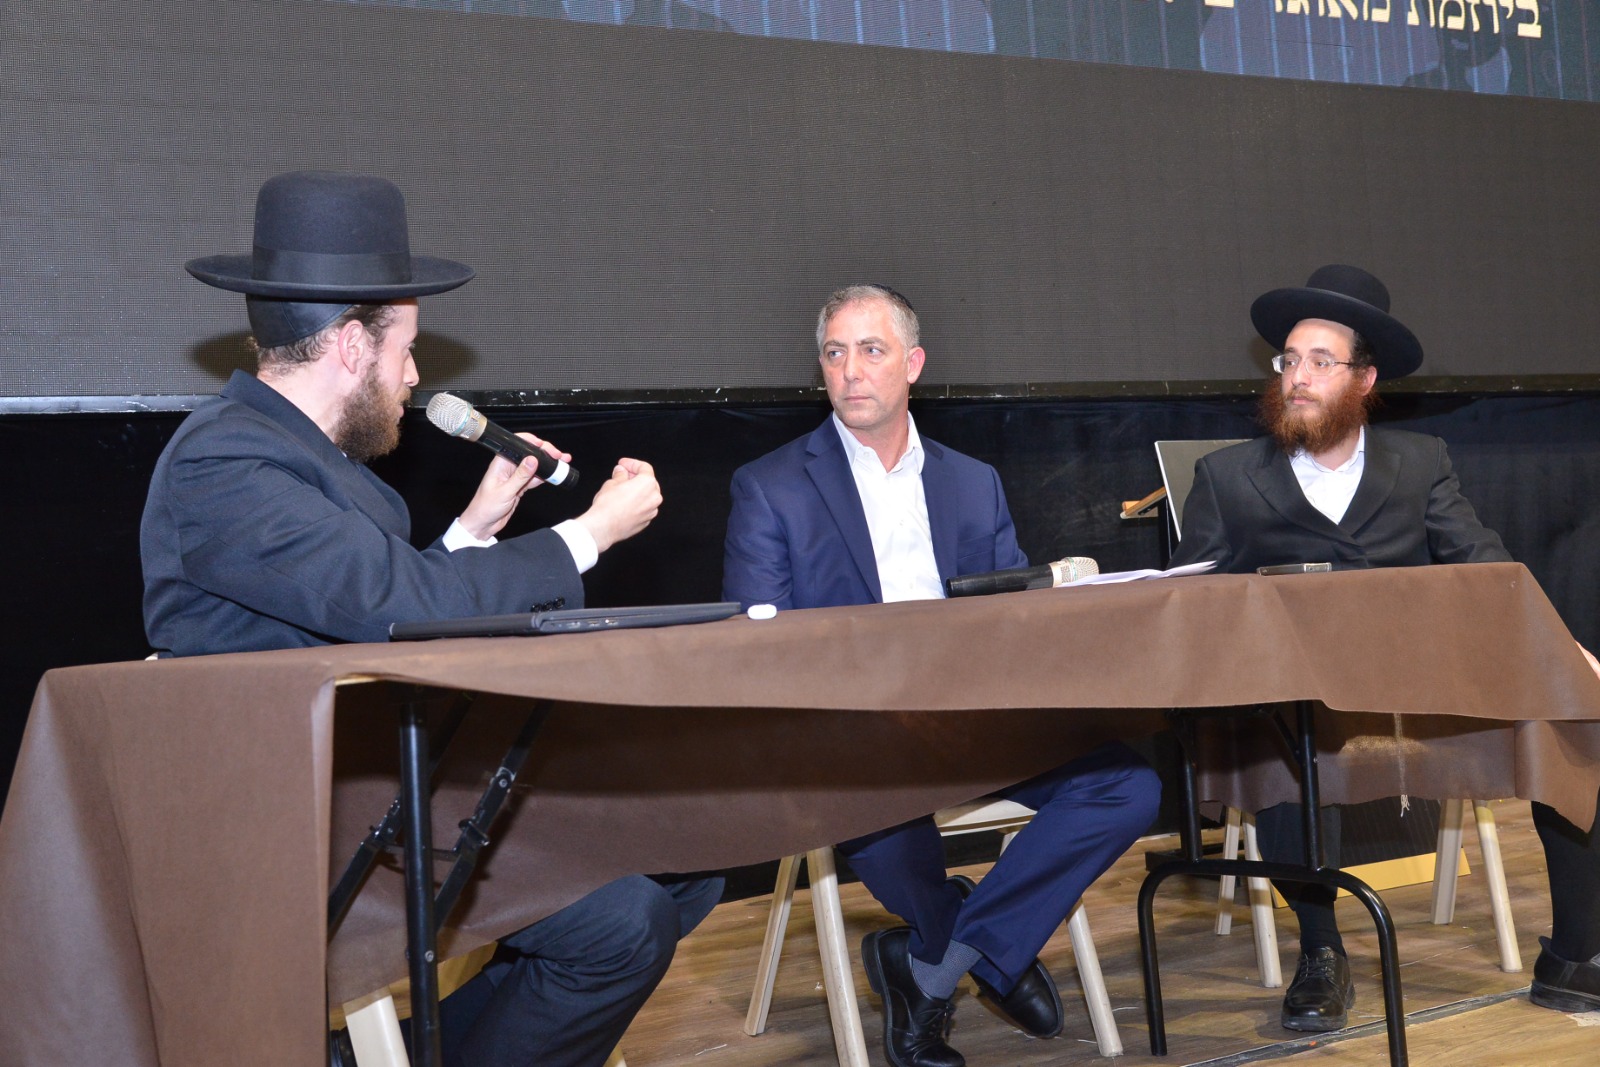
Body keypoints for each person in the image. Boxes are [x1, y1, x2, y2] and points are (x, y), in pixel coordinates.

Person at [140, 170, 721, 1067]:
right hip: (298, 825)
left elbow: (377, 602)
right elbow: (397, 609)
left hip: (387, 787)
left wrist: (473, 531)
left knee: (693, 859)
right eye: (407, 350)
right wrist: (588, 535)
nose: (414, 377)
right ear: (349, 345)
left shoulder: (306, 463)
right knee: (625, 923)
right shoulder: (226, 463)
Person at [723, 284, 1160, 1067]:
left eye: (872, 349)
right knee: (878, 809)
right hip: (854, 729)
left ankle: (934, 963)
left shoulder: (972, 480)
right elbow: (760, 655)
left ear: (914, 363)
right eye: (834, 352)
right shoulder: (772, 485)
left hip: (977, 718)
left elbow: (1010, 624)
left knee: (1128, 785)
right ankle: (980, 945)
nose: (850, 369)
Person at [1171, 263, 1600, 1027]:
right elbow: (1190, 607)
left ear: (1364, 379)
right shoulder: (1229, 477)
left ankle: (1576, 954)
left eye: (1320, 361)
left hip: (1416, 694)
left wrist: (1563, 650)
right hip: (1296, 701)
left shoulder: (1420, 461)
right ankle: (1321, 951)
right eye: (1289, 359)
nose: (1297, 376)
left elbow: (1487, 570)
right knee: (1284, 738)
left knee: (1572, 713)